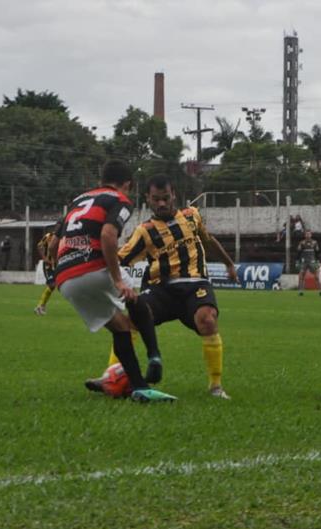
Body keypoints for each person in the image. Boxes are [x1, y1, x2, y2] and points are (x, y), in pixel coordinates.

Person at [52, 160, 176, 403]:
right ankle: (154, 355)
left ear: (102, 180)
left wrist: (52, 270)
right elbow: (108, 234)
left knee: (120, 327)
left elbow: (54, 244)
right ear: (127, 184)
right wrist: (118, 280)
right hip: (94, 266)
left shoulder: (77, 201)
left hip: (66, 279)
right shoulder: (119, 199)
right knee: (135, 298)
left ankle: (140, 387)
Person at [116, 176, 238, 399]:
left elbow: (208, 240)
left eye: (165, 198)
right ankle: (114, 379)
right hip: (161, 289)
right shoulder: (144, 231)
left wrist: (229, 263)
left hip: (195, 285)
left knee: (208, 319)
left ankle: (216, 387)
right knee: (129, 322)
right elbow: (119, 260)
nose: (161, 204)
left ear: (174, 195)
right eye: (156, 199)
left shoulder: (192, 216)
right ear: (148, 199)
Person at [34, 226, 59, 315]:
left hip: (58, 265)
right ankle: (39, 307)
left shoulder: (63, 237)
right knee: (52, 285)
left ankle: (42, 306)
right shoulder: (49, 236)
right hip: (48, 265)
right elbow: (39, 246)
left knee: (56, 286)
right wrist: (44, 258)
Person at [297, 230, 321, 296]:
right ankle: (301, 291)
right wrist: (297, 261)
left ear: (311, 235)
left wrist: (318, 261)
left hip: (312, 261)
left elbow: (317, 252)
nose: (308, 235)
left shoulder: (314, 242)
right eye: (306, 234)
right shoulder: (302, 243)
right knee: (301, 276)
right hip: (304, 262)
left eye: (309, 234)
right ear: (305, 235)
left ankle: (320, 291)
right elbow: (299, 252)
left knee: (316, 276)